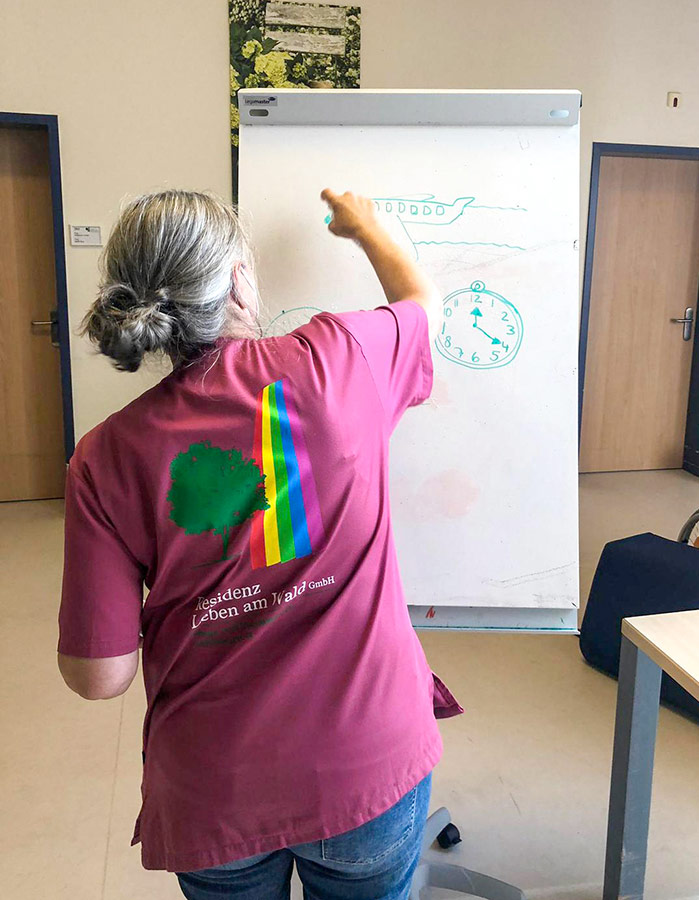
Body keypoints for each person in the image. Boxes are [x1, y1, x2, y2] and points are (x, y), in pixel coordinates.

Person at [57, 188, 463, 900]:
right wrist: (367, 228)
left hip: (214, 788)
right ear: (238, 279)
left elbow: (101, 677)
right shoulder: (341, 358)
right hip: (365, 763)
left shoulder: (103, 456)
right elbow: (423, 305)